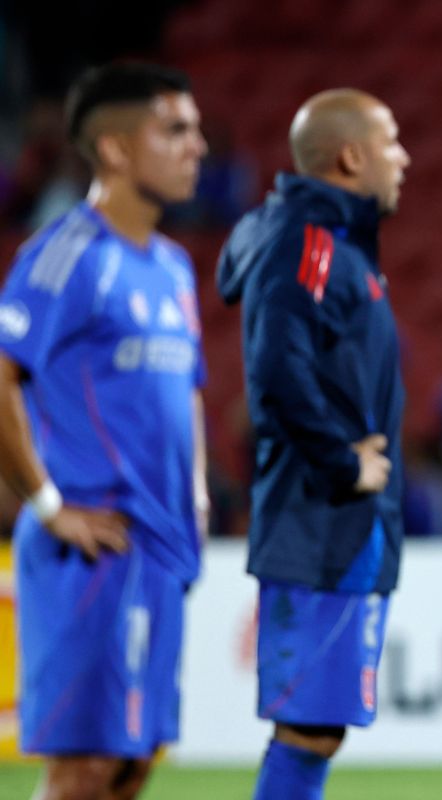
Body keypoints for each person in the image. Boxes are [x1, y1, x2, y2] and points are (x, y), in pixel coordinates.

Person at [0, 63, 208, 800]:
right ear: (116, 149)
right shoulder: (67, 253)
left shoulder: (175, 268)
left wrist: (199, 497)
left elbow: (186, 392)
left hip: (160, 547)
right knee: (83, 770)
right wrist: (50, 504)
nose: (198, 147)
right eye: (175, 130)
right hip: (93, 549)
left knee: (132, 764)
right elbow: (1, 374)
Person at [216, 88, 409, 800]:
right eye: (391, 143)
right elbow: (275, 365)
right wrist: (342, 459)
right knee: (309, 727)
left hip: (339, 529)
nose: (405, 158)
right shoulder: (310, 241)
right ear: (351, 155)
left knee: (318, 726)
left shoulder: (327, 241)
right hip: (319, 522)